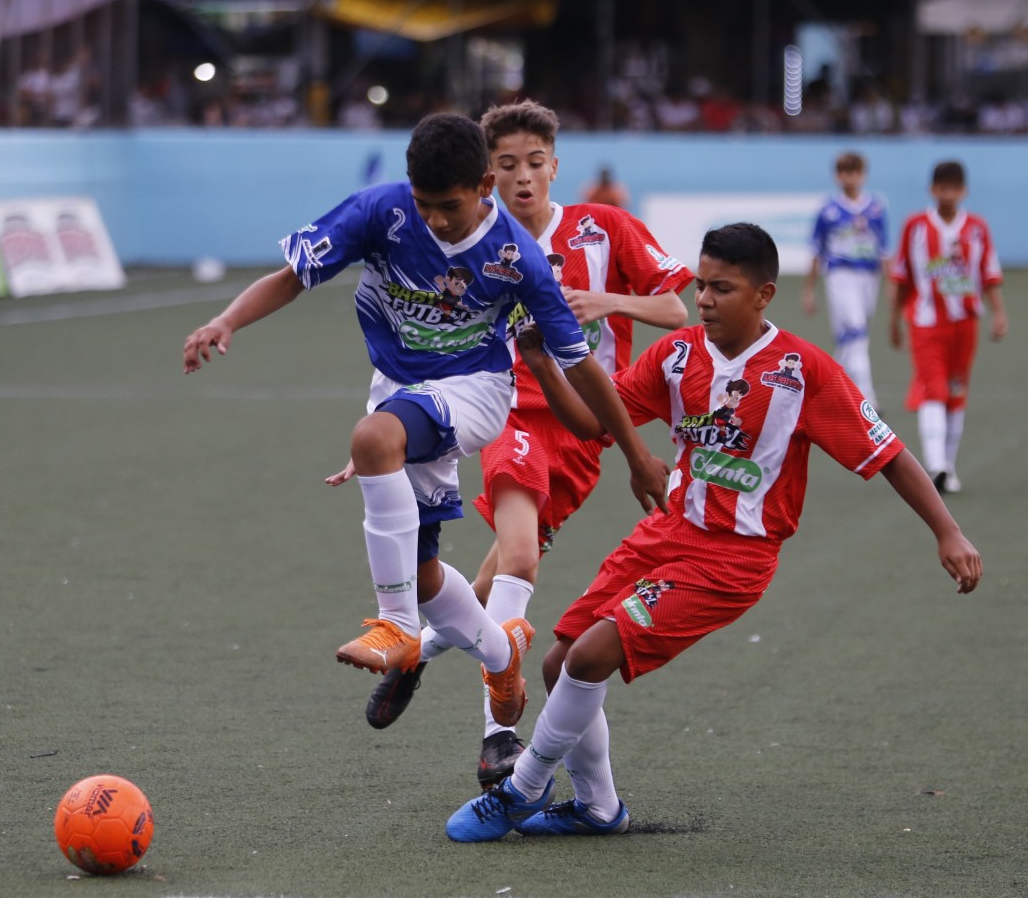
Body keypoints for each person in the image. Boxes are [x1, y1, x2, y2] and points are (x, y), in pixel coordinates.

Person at [444, 223, 982, 842]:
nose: (702, 299)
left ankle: (522, 790)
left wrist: (949, 531)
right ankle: (598, 808)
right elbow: (593, 422)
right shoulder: (675, 356)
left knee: (589, 657)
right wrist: (540, 361)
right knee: (561, 661)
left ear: (764, 294)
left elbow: (886, 452)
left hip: (733, 560)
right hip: (666, 533)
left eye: (721, 288)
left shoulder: (800, 370)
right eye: (700, 285)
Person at [182, 113, 670, 735]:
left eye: (450, 206)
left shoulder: (516, 257)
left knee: (374, 438)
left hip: (477, 391)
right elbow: (292, 278)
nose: (435, 219)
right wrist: (226, 321)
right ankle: (501, 658)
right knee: (425, 570)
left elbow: (584, 368)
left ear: (483, 185)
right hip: (398, 389)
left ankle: (398, 627)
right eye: (424, 204)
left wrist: (634, 455)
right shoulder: (379, 211)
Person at [345, 100, 692, 789]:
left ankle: (417, 653)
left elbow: (677, 307)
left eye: (535, 163)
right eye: (507, 165)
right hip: (512, 416)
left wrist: (609, 303)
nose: (523, 178)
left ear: (555, 167)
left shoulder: (604, 228)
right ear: (485, 177)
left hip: (584, 430)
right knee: (523, 560)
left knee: (491, 576)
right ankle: (498, 735)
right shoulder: (475, 245)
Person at [888, 161, 1006, 494]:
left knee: (955, 393)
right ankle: (935, 463)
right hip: (925, 323)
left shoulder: (977, 229)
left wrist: (999, 314)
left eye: (955, 188)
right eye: (943, 187)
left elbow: (990, 274)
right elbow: (900, 276)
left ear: (964, 191)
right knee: (933, 389)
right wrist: (893, 320)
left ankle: (948, 468)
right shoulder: (916, 227)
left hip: (965, 323)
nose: (948, 194)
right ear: (932, 190)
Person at [802, 151, 889, 408]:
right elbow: (817, 253)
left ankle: (831, 387)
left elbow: (884, 249)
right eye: (844, 172)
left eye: (855, 171)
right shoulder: (828, 210)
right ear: (837, 175)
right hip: (840, 275)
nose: (850, 177)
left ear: (863, 175)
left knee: (848, 337)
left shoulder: (876, 207)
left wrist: (892, 285)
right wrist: (809, 290)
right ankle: (866, 398)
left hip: (869, 277)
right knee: (856, 330)